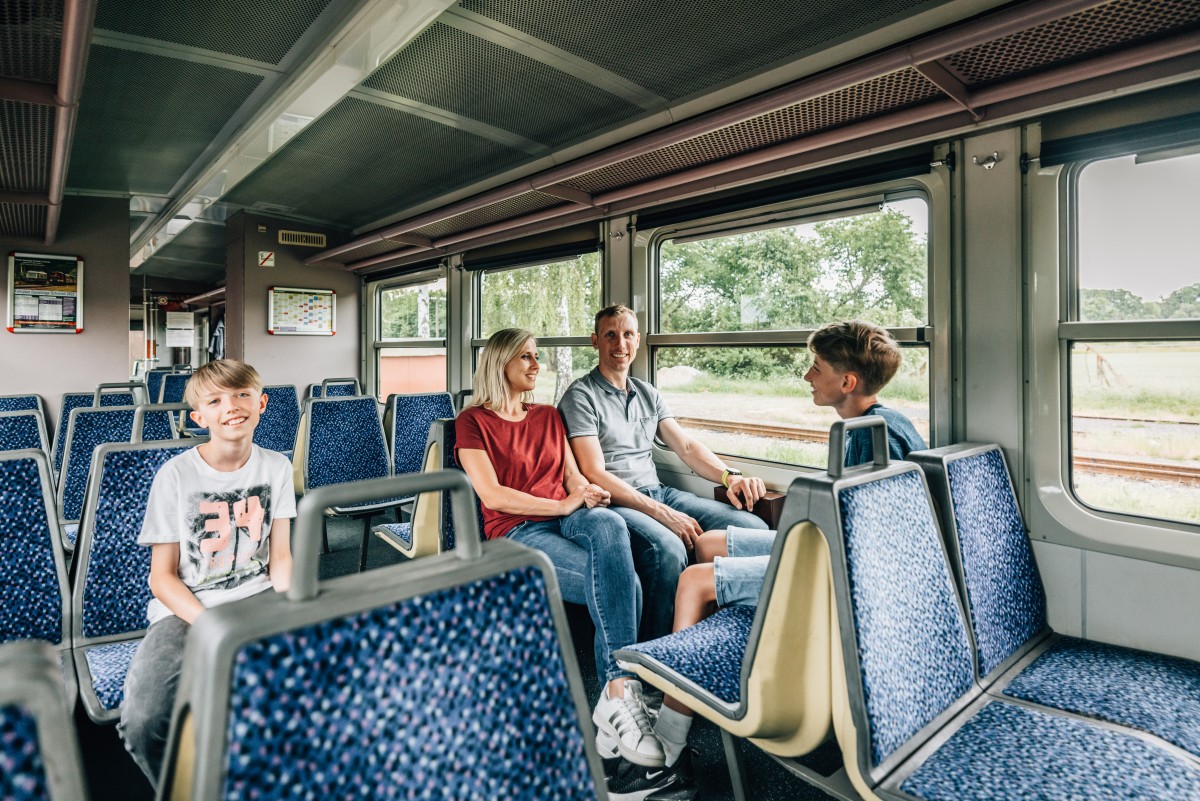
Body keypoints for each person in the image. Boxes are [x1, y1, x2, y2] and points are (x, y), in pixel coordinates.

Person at [650, 320, 927, 771]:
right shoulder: (883, 421)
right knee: (710, 543)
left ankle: (669, 737)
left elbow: (871, 542)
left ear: (847, 382)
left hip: (846, 571)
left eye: (815, 367)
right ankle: (715, 680)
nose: (806, 377)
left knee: (694, 581)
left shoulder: (868, 437)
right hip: (835, 544)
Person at [455, 328, 685, 791]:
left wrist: (585, 493)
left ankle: (617, 695)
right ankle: (620, 693)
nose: (536, 365)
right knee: (630, 586)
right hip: (517, 530)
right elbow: (493, 494)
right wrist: (561, 504)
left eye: (537, 357)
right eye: (526, 358)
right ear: (499, 363)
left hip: (569, 515)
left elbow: (571, 476)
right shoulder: (473, 421)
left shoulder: (546, 415)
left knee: (609, 523)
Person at [119, 359, 295, 786]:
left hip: (260, 595)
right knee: (145, 720)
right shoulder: (176, 476)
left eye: (241, 395)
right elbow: (161, 578)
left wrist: (295, 610)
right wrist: (212, 625)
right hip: (188, 611)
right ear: (199, 418)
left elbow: (281, 557)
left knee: (310, 685)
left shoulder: (278, 467)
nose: (231, 406)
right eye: (215, 400)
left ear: (261, 403)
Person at [559, 305, 770, 643]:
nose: (620, 344)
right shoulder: (580, 396)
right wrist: (662, 514)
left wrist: (730, 476)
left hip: (658, 490)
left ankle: (718, 636)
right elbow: (593, 471)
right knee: (668, 550)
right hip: (615, 502)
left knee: (751, 527)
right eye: (610, 335)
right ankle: (655, 654)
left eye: (628, 334)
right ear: (595, 341)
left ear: (638, 340)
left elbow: (685, 447)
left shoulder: (647, 393)